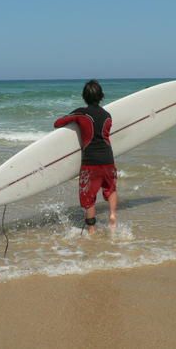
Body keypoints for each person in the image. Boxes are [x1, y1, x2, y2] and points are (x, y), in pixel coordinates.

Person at [54, 80, 118, 234]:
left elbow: (58, 123)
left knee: (88, 197)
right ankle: (113, 215)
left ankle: (91, 228)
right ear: (101, 96)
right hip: (108, 159)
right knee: (111, 188)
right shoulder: (107, 116)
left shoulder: (81, 113)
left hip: (91, 162)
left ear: (84, 97)